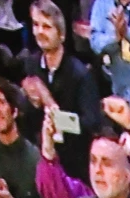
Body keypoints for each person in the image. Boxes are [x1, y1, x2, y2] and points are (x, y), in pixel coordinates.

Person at [21, 0, 103, 183]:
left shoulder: (80, 75)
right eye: (36, 25)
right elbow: (29, 120)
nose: (40, 32)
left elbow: (90, 125)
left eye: (47, 27)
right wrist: (32, 104)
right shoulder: (31, 65)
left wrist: (50, 104)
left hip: (74, 169)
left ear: (62, 34)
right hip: (42, 160)